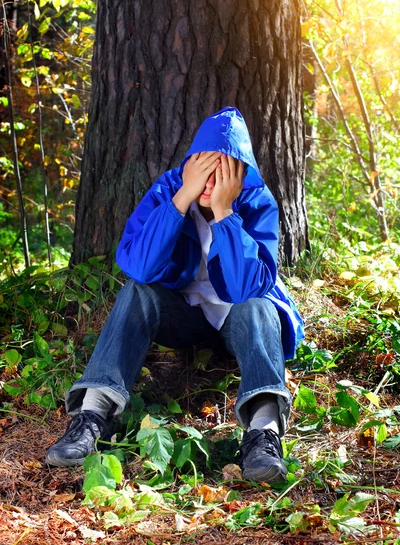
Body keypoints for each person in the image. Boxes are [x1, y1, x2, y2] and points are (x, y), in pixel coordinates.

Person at [46, 107, 304, 483]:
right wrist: (182, 198)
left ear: (240, 173)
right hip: (181, 315)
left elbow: (248, 286)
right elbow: (139, 267)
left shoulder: (256, 201)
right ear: (190, 164)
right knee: (138, 291)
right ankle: (93, 414)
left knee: (259, 302)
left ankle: (263, 431)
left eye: (225, 171)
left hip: (239, 319)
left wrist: (225, 213)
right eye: (205, 168)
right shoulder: (170, 189)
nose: (212, 181)